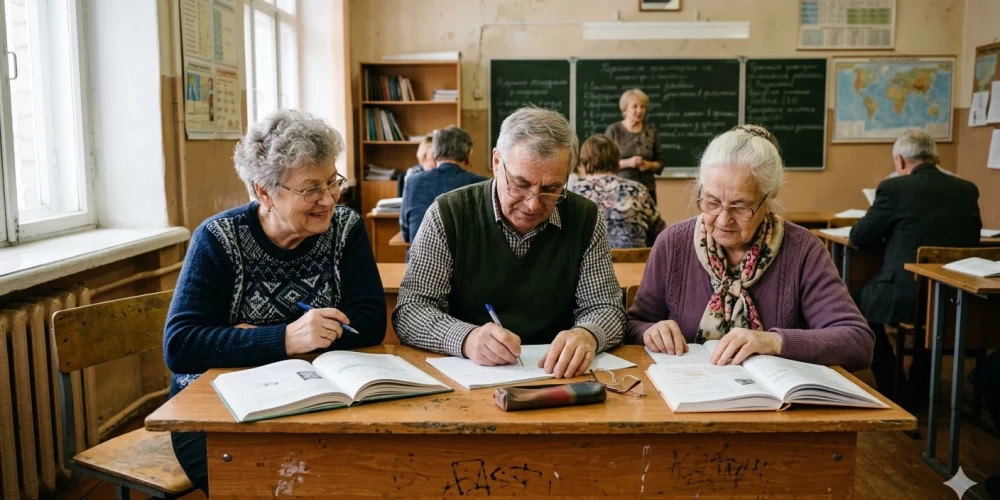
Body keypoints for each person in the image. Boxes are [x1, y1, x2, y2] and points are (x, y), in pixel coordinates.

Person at [163, 110, 386, 494]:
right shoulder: (218, 239)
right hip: (217, 410)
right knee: (261, 485)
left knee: (355, 474)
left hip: (317, 398)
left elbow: (370, 322)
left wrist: (243, 340)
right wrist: (286, 338)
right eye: (310, 189)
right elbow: (182, 346)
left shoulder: (346, 228)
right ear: (264, 192)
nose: (328, 199)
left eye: (332, 181)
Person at [393, 107, 625, 377]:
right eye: (520, 184)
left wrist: (588, 334)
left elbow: (607, 308)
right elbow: (411, 310)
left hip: (558, 375)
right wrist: (466, 339)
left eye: (551, 189)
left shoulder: (584, 217)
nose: (533, 204)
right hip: (471, 375)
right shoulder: (449, 213)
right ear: (496, 162)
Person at [627, 125, 873, 371]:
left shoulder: (803, 250)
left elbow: (857, 341)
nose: (723, 219)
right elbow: (632, 324)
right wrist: (650, 330)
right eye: (712, 202)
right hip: (687, 388)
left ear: (768, 198)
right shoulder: (673, 244)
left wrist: (774, 342)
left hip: (776, 393)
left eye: (740, 207)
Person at [850, 129, 981, 397]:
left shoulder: (894, 188)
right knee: (930, 320)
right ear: (936, 158)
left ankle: (892, 384)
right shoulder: (967, 189)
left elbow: (860, 236)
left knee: (853, 302)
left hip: (907, 294)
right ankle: (922, 383)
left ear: (899, 161)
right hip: (957, 295)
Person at [570, 133, 665, 248]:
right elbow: (661, 233)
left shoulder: (574, 192)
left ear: (584, 164)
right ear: (617, 162)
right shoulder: (638, 190)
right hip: (635, 258)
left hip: (589, 259)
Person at [400, 126, 486, 242]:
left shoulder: (412, 181)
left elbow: (406, 233)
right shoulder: (483, 185)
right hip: (466, 254)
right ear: (468, 154)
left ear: (434, 154)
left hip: (421, 253)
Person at [605, 88, 664, 202]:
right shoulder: (614, 130)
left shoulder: (651, 130)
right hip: (620, 190)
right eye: (635, 106)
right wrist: (628, 163)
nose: (639, 110)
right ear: (625, 109)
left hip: (647, 191)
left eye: (643, 107)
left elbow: (660, 163)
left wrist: (649, 165)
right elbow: (605, 164)